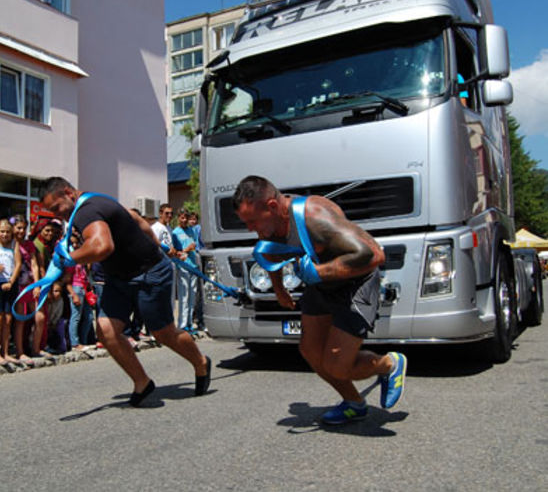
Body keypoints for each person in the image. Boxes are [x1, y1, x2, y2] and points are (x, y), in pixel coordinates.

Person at [232, 175, 407, 425]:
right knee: (311, 351)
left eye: (252, 221)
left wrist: (319, 272)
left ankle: (389, 364)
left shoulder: (315, 217)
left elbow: (374, 254)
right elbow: (269, 247)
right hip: (322, 285)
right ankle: (354, 403)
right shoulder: (271, 222)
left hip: (356, 284)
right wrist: (279, 288)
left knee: (337, 364)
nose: (250, 228)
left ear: (272, 206)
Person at [40, 177, 211, 406]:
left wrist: (67, 259)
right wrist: (152, 242)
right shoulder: (97, 200)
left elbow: (102, 246)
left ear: (68, 193)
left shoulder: (86, 211)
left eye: (56, 208)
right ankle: (142, 382)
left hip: (149, 274)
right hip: (119, 278)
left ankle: (201, 362)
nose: (57, 215)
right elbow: (135, 219)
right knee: (106, 330)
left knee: (163, 334)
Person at [11, 215, 44, 365]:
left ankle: (35, 349)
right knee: (20, 320)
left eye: (24, 228)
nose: (21, 231)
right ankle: (20, 352)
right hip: (17, 285)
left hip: (29, 284)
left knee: (39, 317)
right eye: (18, 227)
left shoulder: (29, 245)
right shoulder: (10, 244)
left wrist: (37, 284)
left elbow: (34, 264)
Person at [0, 218, 22, 367]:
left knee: (8, 319)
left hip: (10, 285)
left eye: (8, 232)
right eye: (2, 231)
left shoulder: (14, 245)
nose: (5, 235)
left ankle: (6, 351)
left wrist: (11, 281)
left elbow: (18, 264)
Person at [65, 233, 96, 350]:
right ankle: (75, 342)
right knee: (76, 317)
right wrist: (73, 294)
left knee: (88, 317)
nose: (75, 245)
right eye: (72, 243)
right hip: (76, 288)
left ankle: (83, 341)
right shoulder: (70, 259)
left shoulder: (81, 258)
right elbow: (67, 280)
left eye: (76, 242)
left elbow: (86, 272)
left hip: (85, 287)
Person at [172, 208, 199, 333]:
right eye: (182, 217)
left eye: (186, 218)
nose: (184, 220)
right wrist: (187, 250)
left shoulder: (191, 230)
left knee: (192, 296)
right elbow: (175, 252)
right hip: (183, 266)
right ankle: (182, 325)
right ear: (179, 218)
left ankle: (189, 323)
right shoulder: (175, 232)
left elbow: (195, 245)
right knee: (184, 296)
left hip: (193, 265)